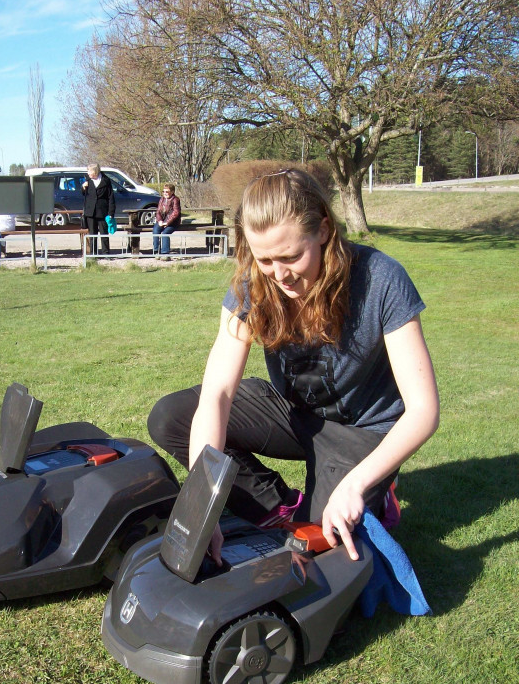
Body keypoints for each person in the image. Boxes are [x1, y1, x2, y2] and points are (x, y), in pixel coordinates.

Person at [147, 169, 439, 562]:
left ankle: (376, 489)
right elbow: (217, 394)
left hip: (364, 433)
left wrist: (354, 485)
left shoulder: (382, 279)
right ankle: (278, 505)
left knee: (323, 537)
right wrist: (205, 503)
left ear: (322, 229)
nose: (279, 274)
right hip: (295, 415)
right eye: (265, 259)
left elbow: (423, 411)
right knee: (171, 418)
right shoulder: (254, 285)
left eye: (291, 256)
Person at [81, 164, 115, 255]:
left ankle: (106, 253)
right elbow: (84, 194)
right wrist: (83, 188)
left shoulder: (106, 181)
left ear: (95, 172)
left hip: (102, 211)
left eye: (89, 172)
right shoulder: (88, 181)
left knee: (104, 234)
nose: (88, 174)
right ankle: (93, 254)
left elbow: (111, 197)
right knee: (92, 234)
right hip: (90, 212)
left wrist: (111, 212)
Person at [152, 183, 181, 258]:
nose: (165, 193)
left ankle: (165, 254)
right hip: (162, 221)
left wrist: (167, 222)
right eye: (163, 191)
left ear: (172, 192)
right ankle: (156, 251)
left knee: (165, 233)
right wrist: (160, 220)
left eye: (167, 192)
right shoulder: (162, 199)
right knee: (156, 230)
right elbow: (158, 211)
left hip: (173, 222)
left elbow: (176, 213)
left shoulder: (175, 200)